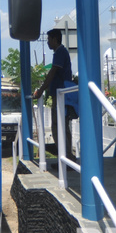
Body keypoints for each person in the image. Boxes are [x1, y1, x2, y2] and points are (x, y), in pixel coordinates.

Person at [33, 28, 74, 160]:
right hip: (61, 95)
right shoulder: (61, 52)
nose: (48, 42)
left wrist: (41, 90)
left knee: (58, 126)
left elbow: (52, 73)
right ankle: (67, 156)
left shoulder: (59, 52)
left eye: (49, 39)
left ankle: (66, 157)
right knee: (62, 126)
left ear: (55, 39)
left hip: (61, 95)